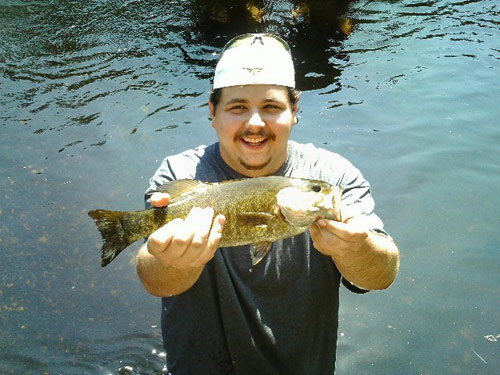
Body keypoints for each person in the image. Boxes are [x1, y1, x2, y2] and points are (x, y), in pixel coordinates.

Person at [136, 33, 400, 375]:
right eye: (238, 107)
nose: (255, 123)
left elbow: (381, 276)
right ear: (213, 112)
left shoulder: (331, 177)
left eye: (272, 107)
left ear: (295, 111)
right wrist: (175, 262)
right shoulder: (180, 174)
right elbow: (154, 279)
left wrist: (357, 248)